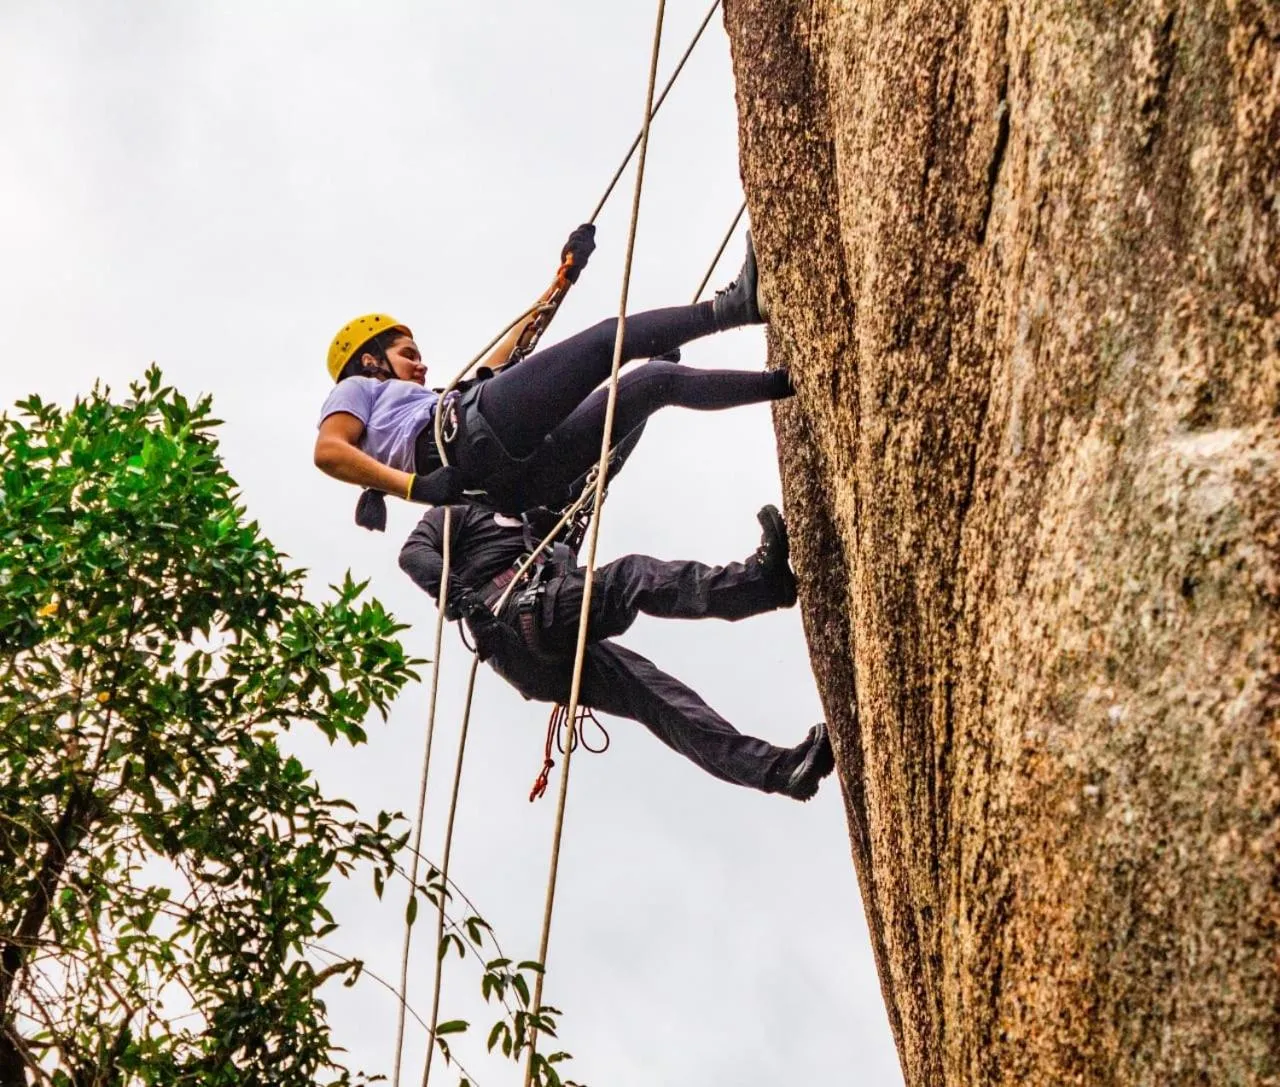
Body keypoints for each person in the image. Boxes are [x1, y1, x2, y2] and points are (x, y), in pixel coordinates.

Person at [314, 226, 790, 525]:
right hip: (470, 437)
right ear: (371, 360)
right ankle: (735, 308)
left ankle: (784, 385)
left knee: (653, 383)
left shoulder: (421, 403)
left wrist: (562, 280)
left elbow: (510, 352)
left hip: (513, 479)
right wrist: (414, 489)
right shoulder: (362, 389)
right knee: (609, 340)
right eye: (406, 354)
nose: (420, 365)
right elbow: (328, 451)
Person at [397, 499, 836, 800]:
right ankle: (758, 584)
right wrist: (467, 602)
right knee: (632, 578)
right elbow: (414, 554)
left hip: (536, 650)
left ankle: (780, 772)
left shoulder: (538, 524)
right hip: (519, 620)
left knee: (658, 698)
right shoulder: (454, 515)